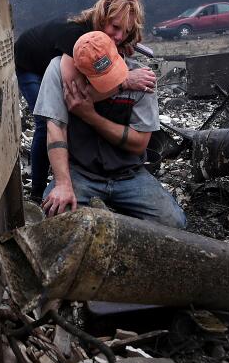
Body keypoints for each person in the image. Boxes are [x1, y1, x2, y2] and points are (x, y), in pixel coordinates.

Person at [13, 0, 157, 201]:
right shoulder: (78, 38)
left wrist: (121, 43)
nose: (118, 36)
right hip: (30, 64)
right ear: (101, 17)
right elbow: (75, 97)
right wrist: (124, 82)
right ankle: (37, 191)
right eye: (115, 27)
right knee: (47, 122)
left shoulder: (106, 37)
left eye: (125, 32)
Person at [35, 30, 187, 229]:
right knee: (55, 217)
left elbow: (139, 144)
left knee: (174, 223)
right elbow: (55, 129)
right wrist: (63, 184)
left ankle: (112, 222)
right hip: (82, 174)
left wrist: (90, 116)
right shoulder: (61, 72)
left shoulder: (141, 78)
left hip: (129, 175)